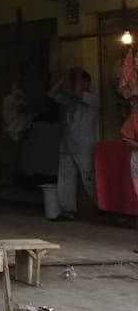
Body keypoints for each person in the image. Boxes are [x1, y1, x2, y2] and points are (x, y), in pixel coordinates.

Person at [49, 66, 98, 221]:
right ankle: (68, 211)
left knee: (89, 179)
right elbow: (51, 94)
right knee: (66, 178)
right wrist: (64, 76)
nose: (80, 84)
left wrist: (76, 73)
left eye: (83, 82)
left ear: (88, 83)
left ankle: (104, 207)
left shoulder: (93, 99)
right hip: (67, 144)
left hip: (84, 146)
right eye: (78, 81)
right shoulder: (69, 100)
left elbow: (78, 94)